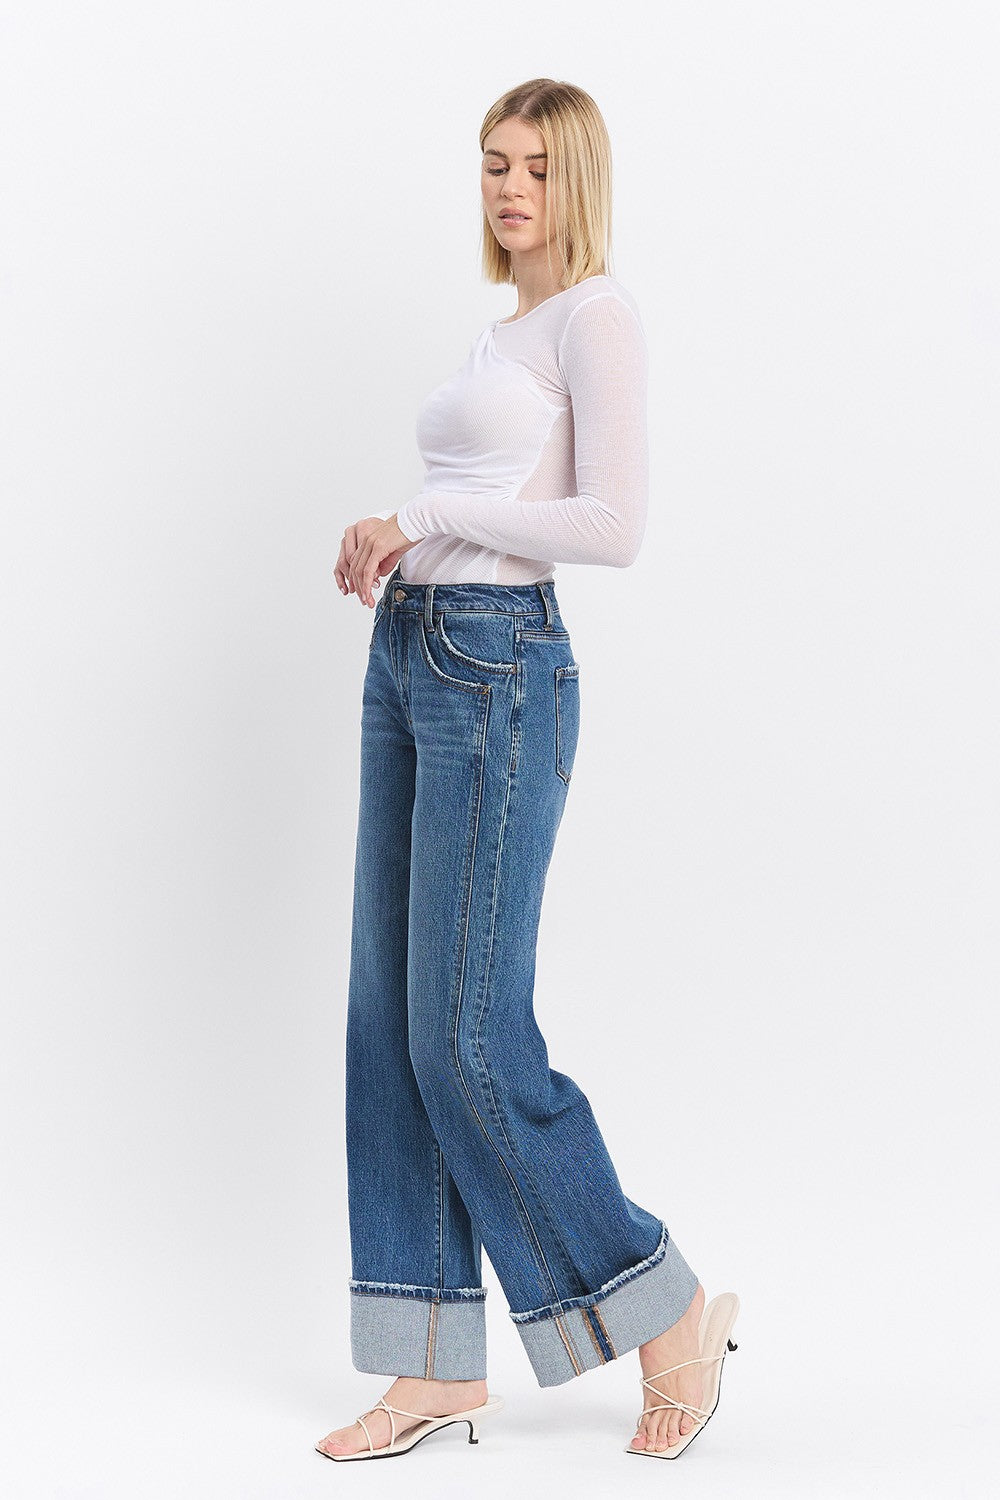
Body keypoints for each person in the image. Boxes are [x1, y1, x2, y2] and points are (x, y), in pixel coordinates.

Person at [316, 78, 740, 1464]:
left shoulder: (596, 316)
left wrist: (425, 514)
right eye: (496, 164)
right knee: (390, 1021)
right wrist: (390, 546)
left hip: (500, 669)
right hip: (414, 648)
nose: (510, 190)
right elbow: (483, 502)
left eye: (539, 170)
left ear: (579, 185)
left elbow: (611, 526)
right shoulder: (502, 334)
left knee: (469, 1033)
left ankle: (660, 1306)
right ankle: (431, 1365)